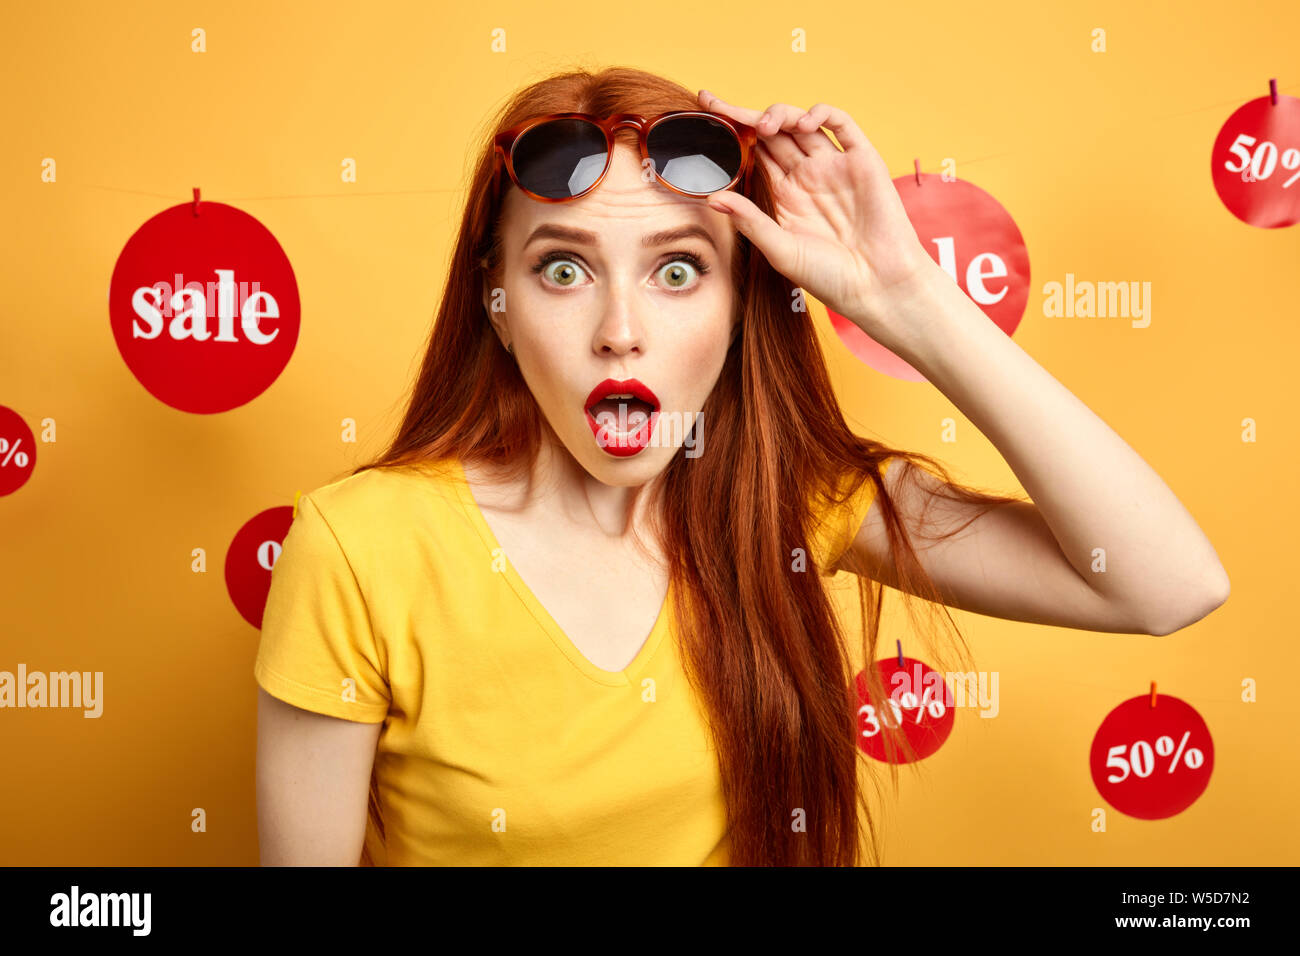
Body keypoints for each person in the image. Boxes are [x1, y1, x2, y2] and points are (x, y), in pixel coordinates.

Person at [253, 66, 1230, 867]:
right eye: (562, 268)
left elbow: (1165, 584)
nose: (620, 333)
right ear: (495, 302)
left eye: (678, 270)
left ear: (738, 304)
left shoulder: (794, 505)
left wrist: (907, 297)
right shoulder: (360, 548)